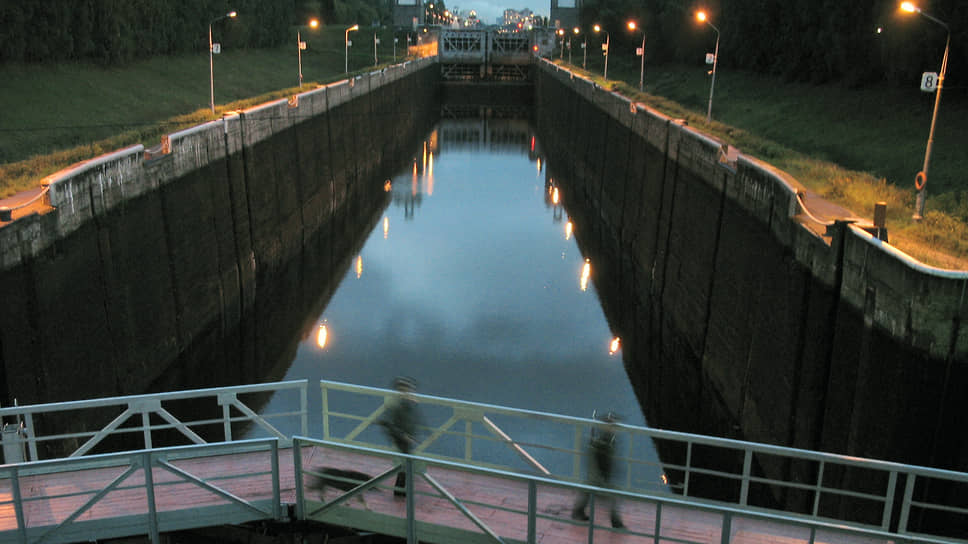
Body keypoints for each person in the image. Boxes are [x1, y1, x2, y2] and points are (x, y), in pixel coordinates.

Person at [572, 411, 624, 529]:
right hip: (600, 473)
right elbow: (604, 461)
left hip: (596, 471)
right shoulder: (606, 441)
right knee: (613, 496)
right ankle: (616, 522)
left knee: (588, 488)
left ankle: (578, 511)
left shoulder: (601, 439)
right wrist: (605, 477)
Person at [379, 376, 420, 497]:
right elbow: (390, 423)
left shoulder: (406, 401)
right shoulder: (396, 403)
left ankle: (400, 491)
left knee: (406, 464)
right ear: (402, 389)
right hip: (400, 438)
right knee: (405, 465)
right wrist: (403, 436)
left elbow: (411, 419)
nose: (411, 391)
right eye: (408, 388)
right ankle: (399, 491)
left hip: (406, 437)